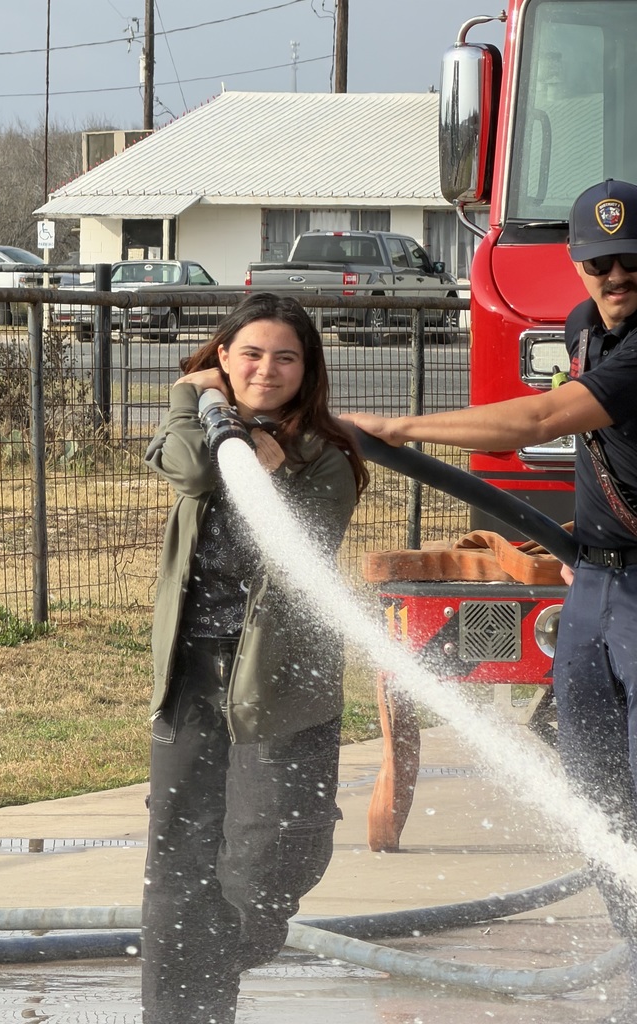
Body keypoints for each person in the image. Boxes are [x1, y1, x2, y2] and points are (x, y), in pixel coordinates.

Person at [343, 178, 637, 1024]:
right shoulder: (585, 331)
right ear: (578, 266)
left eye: (631, 261)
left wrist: (399, 430)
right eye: (598, 263)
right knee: (592, 788)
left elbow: (543, 417)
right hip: (593, 586)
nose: (616, 277)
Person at [141, 292, 368, 1024]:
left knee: (276, 852)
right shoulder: (203, 436)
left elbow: (305, 549)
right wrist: (190, 397)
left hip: (277, 683)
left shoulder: (327, 458)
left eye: (285, 357)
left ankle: (233, 949)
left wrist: (281, 474)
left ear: (308, 371)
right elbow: (193, 472)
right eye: (250, 354)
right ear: (224, 361)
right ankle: (181, 1012)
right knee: (181, 855)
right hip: (193, 674)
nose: (266, 369)